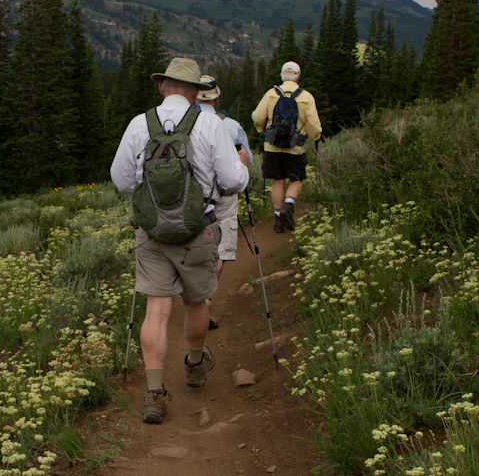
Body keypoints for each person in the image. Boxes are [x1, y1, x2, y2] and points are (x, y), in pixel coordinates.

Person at [111, 57, 250, 425]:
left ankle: (155, 392)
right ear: (195, 92)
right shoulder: (210, 123)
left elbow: (122, 181)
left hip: (152, 232)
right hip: (197, 231)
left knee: (156, 310)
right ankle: (193, 363)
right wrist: (245, 173)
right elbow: (232, 181)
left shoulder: (140, 124)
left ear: (162, 87)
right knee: (196, 301)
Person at [195, 75, 253, 330]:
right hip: (225, 197)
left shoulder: (184, 124)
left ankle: (195, 298)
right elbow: (246, 159)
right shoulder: (231, 125)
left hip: (195, 198)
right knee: (220, 250)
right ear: (216, 98)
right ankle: (204, 302)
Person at [251, 61, 322, 233]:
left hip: (272, 147)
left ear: (282, 76)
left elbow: (257, 117)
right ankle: (288, 205)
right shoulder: (306, 97)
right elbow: (314, 126)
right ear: (298, 76)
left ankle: (278, 218)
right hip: (295, 148)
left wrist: (262, 129)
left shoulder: (271, 94)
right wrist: (315, 137)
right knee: (297, 180)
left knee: (278, 181)